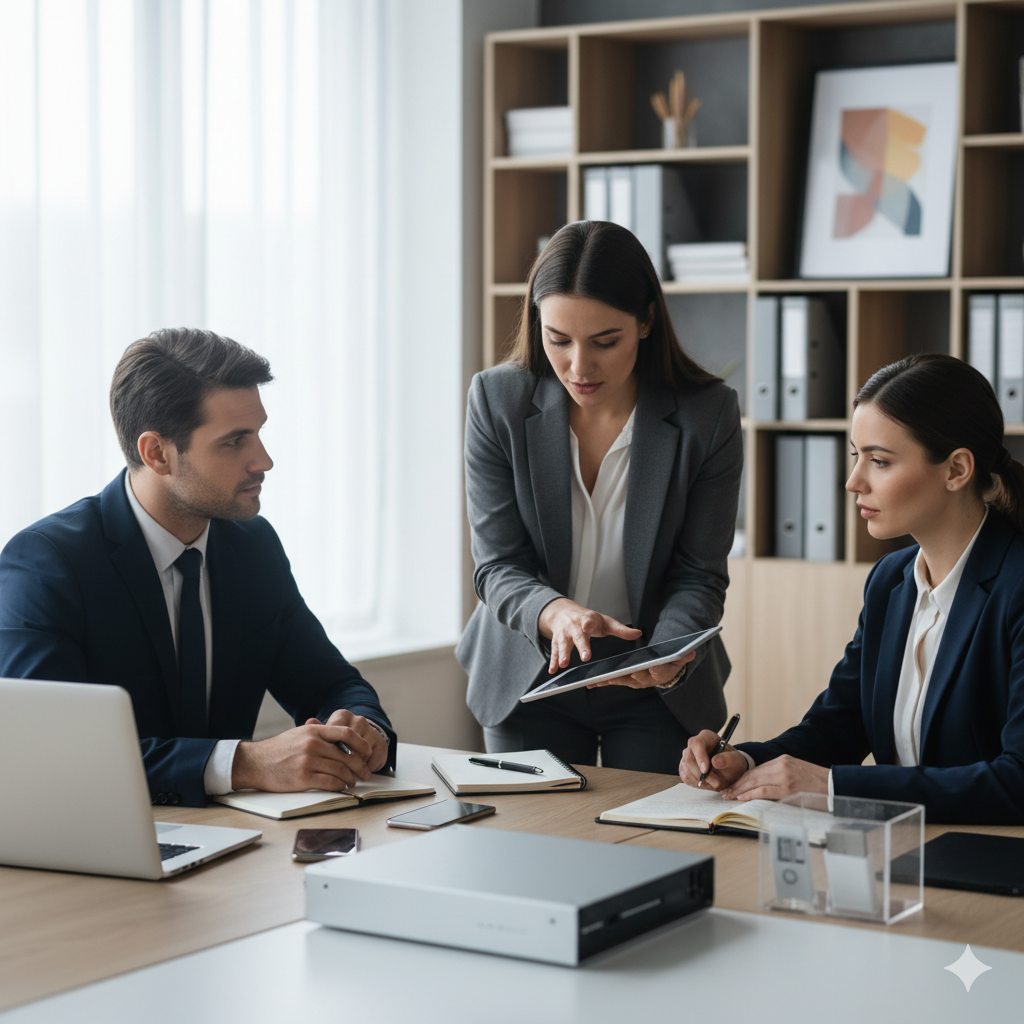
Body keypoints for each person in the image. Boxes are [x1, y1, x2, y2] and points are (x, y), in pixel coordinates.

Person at [0, 328, 395, 807]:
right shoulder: (47, 564)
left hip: (234, 844)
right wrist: (246, 763)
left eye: (259, 433)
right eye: (234, 442)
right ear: (157, 453)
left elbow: (329, 682)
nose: (264, 460)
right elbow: (50, 754)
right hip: (99, 845)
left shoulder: (252, 546)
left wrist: (360, 727)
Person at [680, 353, 1024, 825]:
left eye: (879, 461)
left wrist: (832, 786)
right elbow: (839, 725)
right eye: (855, 456)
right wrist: (745, 761)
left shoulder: (1016, 586)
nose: (852, 481)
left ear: (956, 469)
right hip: (901, 848)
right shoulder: (891, 581)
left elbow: (1017, 781)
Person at [456, 221, 742, 774]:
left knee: (649, 851)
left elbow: (699, 573)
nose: (579, 367)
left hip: (655, 685)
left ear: (645, 323)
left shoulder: (708, 415)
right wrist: (556, 613)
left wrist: (670, 655)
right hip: (528, 672)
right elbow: (497, 566)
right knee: (532, 853)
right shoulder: (497, 400)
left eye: (604, 342)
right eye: (557, 339)